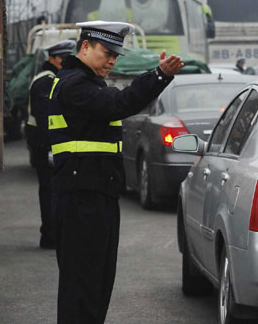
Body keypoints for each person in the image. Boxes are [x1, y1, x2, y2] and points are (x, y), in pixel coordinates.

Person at [48, 21, 183, 323]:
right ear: (85, 47)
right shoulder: (74, 85)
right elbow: (120, 103)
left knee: (96, 285)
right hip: (82, 200)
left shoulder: (87, 83)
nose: (111, 61)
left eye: (115, 56)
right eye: (106, 53)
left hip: (95, 196)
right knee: (82, 288)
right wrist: (159, 75)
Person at [26, 39, 75, 249]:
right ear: (52, 59)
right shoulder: (45, 81)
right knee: (49, 191)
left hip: (44, 143)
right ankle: (49, 236)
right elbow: (46, 119)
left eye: (67, 58)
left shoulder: (52, 78)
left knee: (53, 191)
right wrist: (53, 147)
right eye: (62, 58)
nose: (65, 62)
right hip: (43, 144)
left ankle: (53, 233)